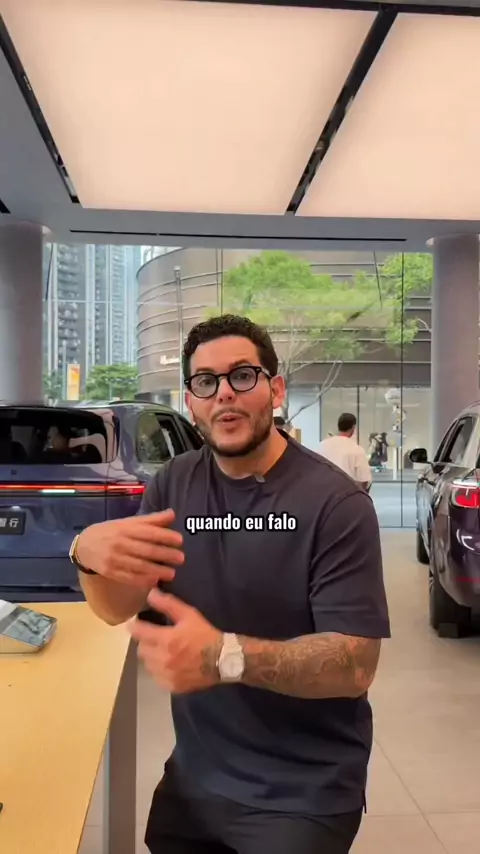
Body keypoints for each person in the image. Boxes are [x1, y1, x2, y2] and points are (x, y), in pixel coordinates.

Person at [72, 314, 390, 854]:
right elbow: (116, 608)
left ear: (275, 390)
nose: (224, 393)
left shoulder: (336, 505)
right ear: (191, 401)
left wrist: (224, 655)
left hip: (301, 791)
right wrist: (86, 555)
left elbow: (355, 665)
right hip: (197, 774)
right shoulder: (174, 483)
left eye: (242, 376)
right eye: (205, 381)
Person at [318, 414, 372, 490]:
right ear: (353, 428)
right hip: (346, 493)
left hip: (324, 491)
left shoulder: (321, 446)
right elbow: (364, 480)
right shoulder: (357, 450)